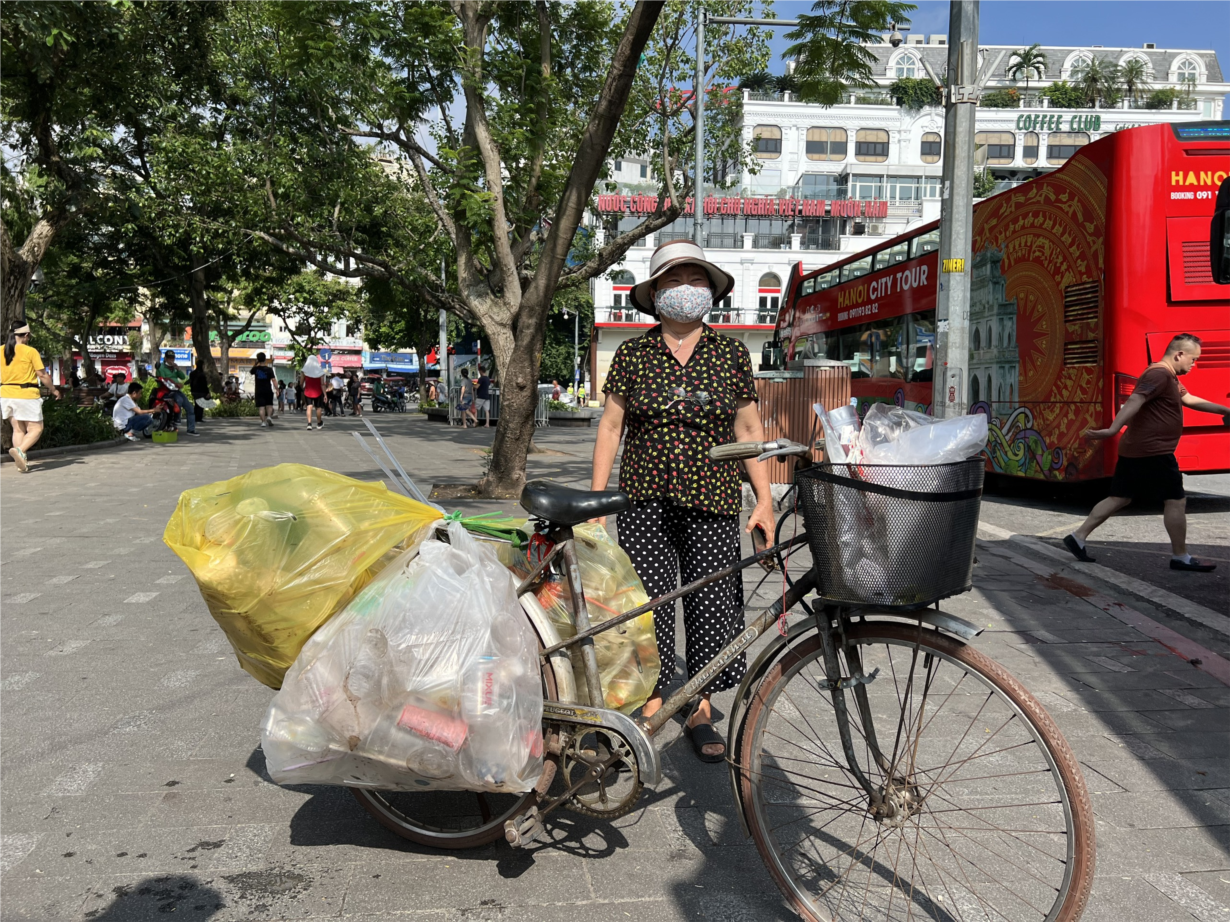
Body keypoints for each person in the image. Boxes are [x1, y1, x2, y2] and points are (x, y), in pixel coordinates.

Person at [591, 239, 774, 762]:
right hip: (645, 498)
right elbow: (611, 427)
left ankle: (699, 705)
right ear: (654, 294)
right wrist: (596, 502)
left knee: (712, 605)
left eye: (696, 280)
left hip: (713, 498)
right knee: (648, 606)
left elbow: (748, 427)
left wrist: (763, 498)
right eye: (674, 281)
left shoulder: (730, 353)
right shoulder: (633, 353)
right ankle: (651, 698)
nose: (686, 290)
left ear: (711, 292)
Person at [1064, 333, 1230, 571]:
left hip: (1139, 448)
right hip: (1153, 451)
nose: (1194, 364)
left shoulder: (1168, 377)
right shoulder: (1158, 374)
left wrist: (1225, 410)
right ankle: (1180, 556)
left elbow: (1190, 399)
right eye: (1193, 359)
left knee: (1120, 497)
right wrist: (1112, 429)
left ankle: (1077, 537)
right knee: (1175, 501)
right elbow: (1134, 400)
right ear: (1179, 354)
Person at [1, 320, 60, 472]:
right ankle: (20, 451)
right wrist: (53, 389)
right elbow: (42, 375)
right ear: (26, 335)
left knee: (18, 429)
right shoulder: (30, 351)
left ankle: (22, 462)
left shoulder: (1, 350)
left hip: (6, 394)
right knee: (36, 429)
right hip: (26, 394)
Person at [156, 350, 197, 436]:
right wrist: (174, 383)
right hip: (167, 390)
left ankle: (191, 429)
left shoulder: (174, 368)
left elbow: (182, 377)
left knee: (190, 408)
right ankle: (176, 419)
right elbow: (162, 379)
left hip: (177, 390)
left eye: (173, 358)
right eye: (169, 358)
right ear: (166, 359)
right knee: (179, 400)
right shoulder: (161, 368)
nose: (171, 360)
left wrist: (178, 369)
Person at [252, 352, 278, 427]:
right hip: (268, 389)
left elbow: (251, 371)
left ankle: (263, 422)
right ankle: (269, 417)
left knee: (261, 407)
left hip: (259, 390)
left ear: (258, 359)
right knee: (269, 405)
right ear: (265, 359)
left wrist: (256, 363)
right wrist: (277, 389)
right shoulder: (269, 369)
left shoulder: (256, 369)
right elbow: (273, 379)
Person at [301, 357, 326, 430]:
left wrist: (303, 388)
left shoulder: (304, 371)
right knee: (318, 408)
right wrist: (325, 394)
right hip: (318, 391)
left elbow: (301, 383)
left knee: (309, 406)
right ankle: (319, 423)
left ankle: (309, 424)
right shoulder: (321, 372)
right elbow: (322, 384)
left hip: (308, 391)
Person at [188, 360, 209, 425]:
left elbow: (191, 382)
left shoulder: (192, 373)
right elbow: (204, 384)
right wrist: (207, 392)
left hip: (194, 391)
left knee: (196, 404)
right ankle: (199, 418)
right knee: (200, 405)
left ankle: (195, 417)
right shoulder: (202, 374)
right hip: (201, 391)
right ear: (202, 365)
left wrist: (191, 390)